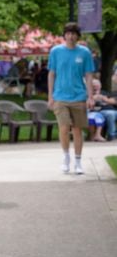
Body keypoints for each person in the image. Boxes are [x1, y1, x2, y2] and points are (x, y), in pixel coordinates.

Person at [47, 22, 95, 175]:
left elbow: (88, 76)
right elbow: (52, 74)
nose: (71, 36)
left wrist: (90, 96)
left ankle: (78, 161)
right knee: (63, 127)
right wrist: (50, 96)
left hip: (79, 96)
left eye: (74, 33)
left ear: (77, 36)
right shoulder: (55, 51)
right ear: (64, 35)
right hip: (60, 97)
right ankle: (66, 157)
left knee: (77, 130)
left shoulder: (85, 53)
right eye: (68, 33)